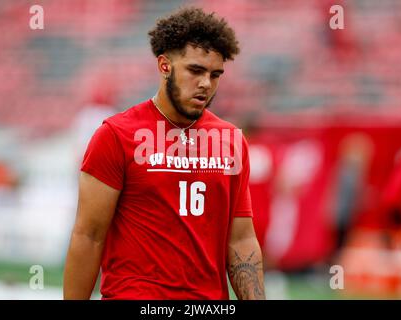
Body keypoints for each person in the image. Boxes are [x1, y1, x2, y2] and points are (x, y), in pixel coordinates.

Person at [64, 7, 265, 300]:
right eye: (195, 70)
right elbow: (88, 236)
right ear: (164, 66)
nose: (206, 84)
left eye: (215, 74)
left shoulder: (231, 140)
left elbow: (242, 239)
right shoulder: (116, 135)